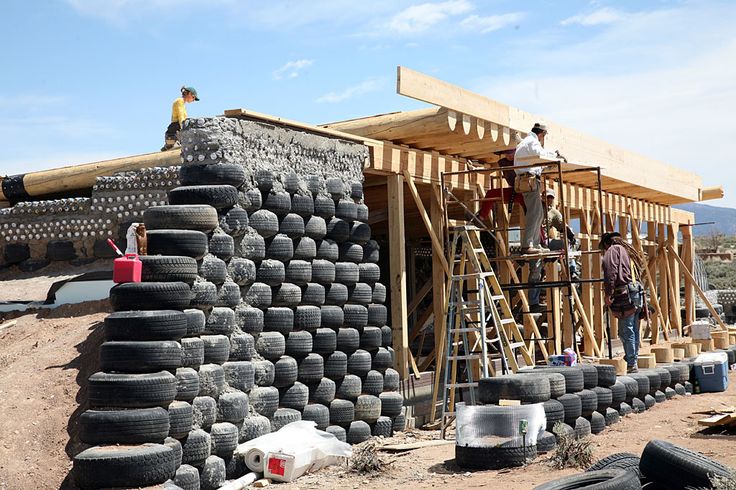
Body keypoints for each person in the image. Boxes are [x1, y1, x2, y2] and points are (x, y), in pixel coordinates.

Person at [600, 232, 645, 373]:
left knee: (626, 330)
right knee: (633, 329)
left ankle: (632, 362)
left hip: (626, 293)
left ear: (607, 243)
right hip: (636, 291)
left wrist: (608, 293)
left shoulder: (613, 250)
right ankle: (633, 358)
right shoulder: (626, 250)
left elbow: (610, 272)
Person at [514, 123, 562, 254]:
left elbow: (535, 164)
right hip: (528, 181)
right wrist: (554, 155)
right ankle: (527, 245)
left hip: (528, 180)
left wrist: (546, 167)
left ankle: (534, 243)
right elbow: (540, 153)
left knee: (538, 214)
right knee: (534, 214)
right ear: (541, 134)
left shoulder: (526, 143)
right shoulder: (532, 142)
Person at [162, 86, 199, 151]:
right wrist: (184, 128)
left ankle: (169, 144)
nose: (193, 100)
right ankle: (172, 143)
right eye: (193, 97)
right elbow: (181, 115)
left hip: (173, 130)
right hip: (175, 130)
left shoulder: (182, 103)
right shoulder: (180, 101)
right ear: (189, 94)